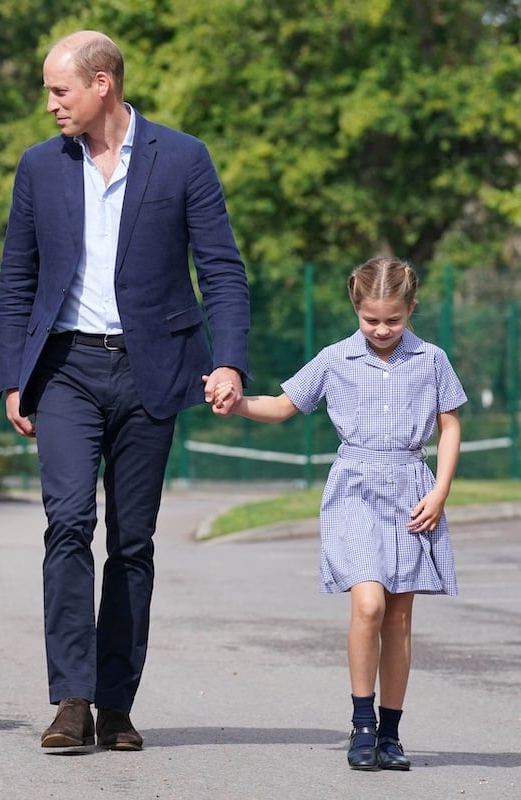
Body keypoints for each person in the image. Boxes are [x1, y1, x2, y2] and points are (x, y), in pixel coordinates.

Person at [0, 30, 250, 751]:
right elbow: (17, 279)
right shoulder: (39, 168)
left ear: (102, 84)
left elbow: (222, 270)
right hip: (67, 369)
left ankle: (117, 704)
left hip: (152, 370)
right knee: (68, 524)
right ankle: (72, 700)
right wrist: (15, 375)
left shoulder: (184, 158)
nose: (50, 104)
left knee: (131, 542)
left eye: (59, 90)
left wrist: (228, 361)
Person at [213, 256, 465, 771]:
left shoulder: (432, 359)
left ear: (411, 309)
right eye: (371, 319)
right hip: (353, 488)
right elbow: (284, 406)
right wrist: (236, 402)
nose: (381, 329)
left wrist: (439, 491)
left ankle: (391, 734)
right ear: (357, 309)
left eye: (393, 319)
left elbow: (450, 426)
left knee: (397, 617)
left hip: (412, 491)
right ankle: (363, 725)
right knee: (368, 604)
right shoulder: (335, 358)